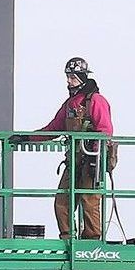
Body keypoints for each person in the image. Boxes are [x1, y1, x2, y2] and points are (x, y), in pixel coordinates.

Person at [12, 57, 113, 240]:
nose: (68, 81)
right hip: (75, 160)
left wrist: (96, 158)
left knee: (89, 200)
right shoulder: (70, 105)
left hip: (91, 159)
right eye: (68, 77)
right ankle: (67, 238)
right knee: (63, 201)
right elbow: (53, 129)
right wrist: (27, 137)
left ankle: (91, 240)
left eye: (72, 77)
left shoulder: (96, 101)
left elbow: (105, 131)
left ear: (82, 78)